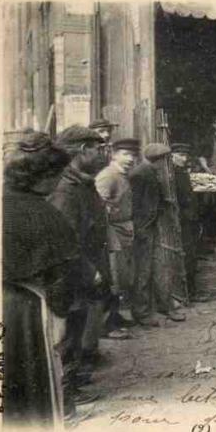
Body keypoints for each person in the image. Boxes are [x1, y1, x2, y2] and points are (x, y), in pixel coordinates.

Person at [2, 131, 77, 426]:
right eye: (57, 174)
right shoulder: (46, 215)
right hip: (27, 310)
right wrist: (60, 321)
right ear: (44, 177)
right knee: (33, 384)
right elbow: (60, 276)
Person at [49, 126, 111, 408]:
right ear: (82, 151)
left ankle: (73, 384)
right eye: (97, 148)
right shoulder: (66, 189)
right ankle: (65, 396)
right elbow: (64, 239)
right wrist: (89, 270)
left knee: (77, 327)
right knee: (67, 335)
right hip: (71, 274)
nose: (101, 153)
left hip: (83, 270)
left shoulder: (80, 182)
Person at [129, 143, 187, 326]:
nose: (166, 163)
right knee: (144, 271)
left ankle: (163, 305)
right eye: (165, 159)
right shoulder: (140, 174)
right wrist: (140, 228)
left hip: (151, 226)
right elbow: (135, 205)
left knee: (159, 267)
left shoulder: (152, 172)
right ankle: (142, 312)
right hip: (143, 229)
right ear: (160, 160)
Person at [95, 138, 140, 338]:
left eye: (133, 155)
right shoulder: (108, 176)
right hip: (112, 231)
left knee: (122, 277)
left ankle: (115, 316)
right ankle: (106, 325)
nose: (130, 159)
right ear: (113, 154)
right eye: (125, 154)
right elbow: (98, 205)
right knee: (114, 277)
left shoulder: (123, 175)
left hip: (124, 228)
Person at [171, 143, 208, 303]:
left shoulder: (181, 172)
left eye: (186, 155)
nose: (184, 158)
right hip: (182, 219)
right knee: (187, 256)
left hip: (189, 218)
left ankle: (190, 292)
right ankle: (189, 293)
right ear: (172, 156)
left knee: (190, 255)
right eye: (180, 155)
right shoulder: (173, 174)